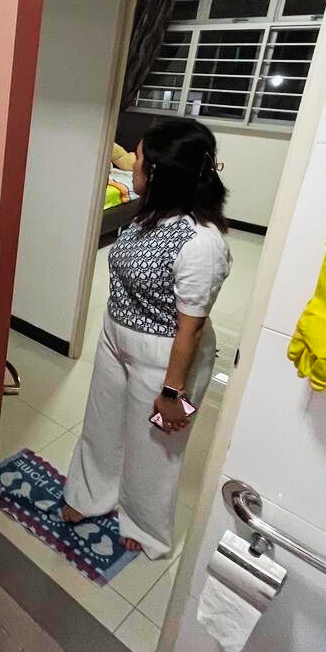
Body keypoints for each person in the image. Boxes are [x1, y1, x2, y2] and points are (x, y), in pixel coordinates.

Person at [61, 118, 232, 560]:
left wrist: (172, 393)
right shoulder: (149, 213)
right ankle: (90, 493)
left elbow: (190, 327)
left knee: (155, 447)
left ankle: (144, 522)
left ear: (156, 172)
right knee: (101, 423)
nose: (130, 164)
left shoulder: (201, 242)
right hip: (116, 337)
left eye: (136, 158)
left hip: (167, 357)